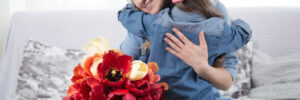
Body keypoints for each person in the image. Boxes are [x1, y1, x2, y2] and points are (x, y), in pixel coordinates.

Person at [118, 0, 252, 99]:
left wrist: (204, 69)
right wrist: (234, 24)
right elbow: (119, 73)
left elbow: (227, 82)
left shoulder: (213, 10)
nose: (140, 2)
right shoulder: (139, 25)